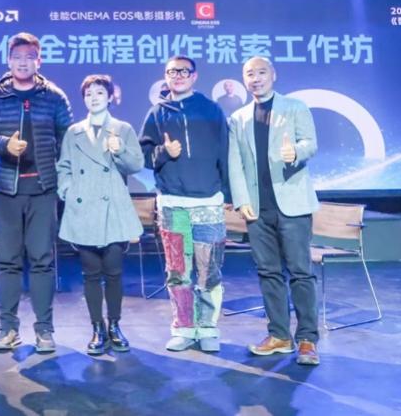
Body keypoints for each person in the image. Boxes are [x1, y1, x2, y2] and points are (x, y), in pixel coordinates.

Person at [0, 32, 73, 353]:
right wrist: (5, 145)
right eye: (17, 57)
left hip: (43, 189)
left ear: (38, 61)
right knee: (8, 260)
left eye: (29, 57)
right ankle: (8, 329)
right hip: (5, 188)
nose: (22, 62)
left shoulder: (54, 97)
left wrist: (63, 176)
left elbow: (67, 140)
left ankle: (44, 330)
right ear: (8, 61)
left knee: (43, 260)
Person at [228, 56, 320, 366]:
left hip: (292, 204)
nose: (255, 78)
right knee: (268, 273)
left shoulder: (295, 107)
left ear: (273, 75)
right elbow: (235, 163)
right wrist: (241, 199)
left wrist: (296, 151)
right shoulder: (238, 118)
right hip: (258, 209)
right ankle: (279, 335)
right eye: (249, 74)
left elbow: (311, 143)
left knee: (300, 272)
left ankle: (307, 339)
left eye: (261, 72)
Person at [139, 55, 229, 353]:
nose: (177, 76)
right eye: (171, 72)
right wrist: (165, 151)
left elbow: (225, 153)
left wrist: (228, 195)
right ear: (165, 77)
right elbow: (143, 156)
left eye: (183, 71)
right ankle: (183, 327)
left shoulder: (211, 110)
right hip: (173, 204)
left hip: (208, 202)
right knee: (178, 270)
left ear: (194, 76)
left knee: (209, 269)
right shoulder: (157, 113)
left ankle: (208, 327)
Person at [57, 74, 143, 355]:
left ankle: (115, 325)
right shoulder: (74, 132)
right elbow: (64, 166)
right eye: (89, 94)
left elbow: (136, 165)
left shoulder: (122, 129)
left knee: (114, 273)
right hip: (83, 209)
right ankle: (97, 327)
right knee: (91, 274)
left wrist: (120, 151)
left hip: (113, 209)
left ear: (109, 97)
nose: (93, 98)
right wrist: (67, 190)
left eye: (99, 93)